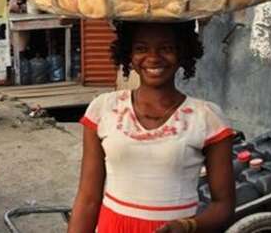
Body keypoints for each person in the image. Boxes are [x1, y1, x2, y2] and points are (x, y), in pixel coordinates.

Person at [69, 21, 235, 233]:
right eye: (141, 49)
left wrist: (187, 226)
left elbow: (224, 205)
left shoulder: (206, 118)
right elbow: (88, 200)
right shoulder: (104, 109)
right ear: (128, 53)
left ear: (182, 52)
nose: (153, 57)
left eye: (166, 48)